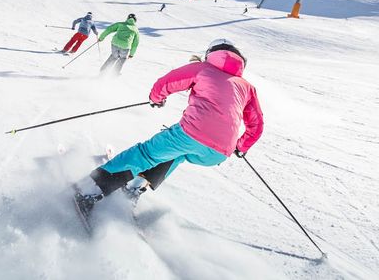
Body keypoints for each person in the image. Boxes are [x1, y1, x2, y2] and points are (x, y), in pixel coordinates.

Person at [75, 39, 264, 212]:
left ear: (211, 54)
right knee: (175, 154)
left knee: (144, 154)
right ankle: (135, 187)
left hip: (192, 133)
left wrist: (156, 98)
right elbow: (257, 124)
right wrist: (241, 146)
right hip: (219, 153)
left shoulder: (203, 67)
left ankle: (90, 189)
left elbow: (168, 81)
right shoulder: (247, 86)